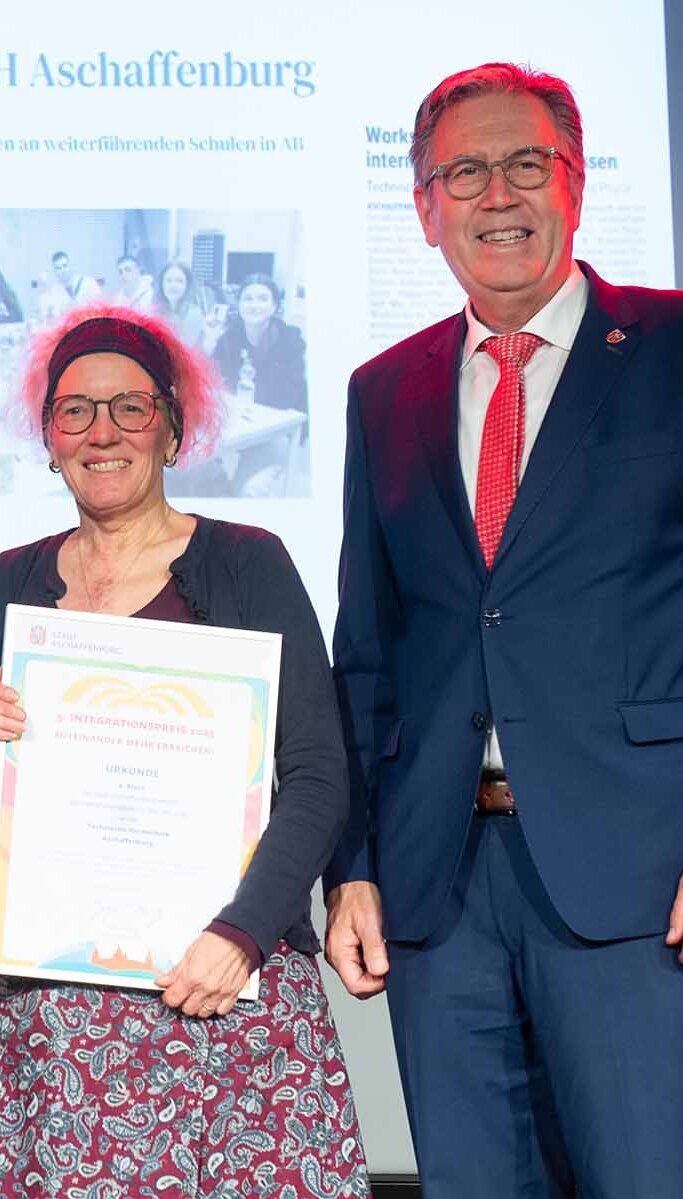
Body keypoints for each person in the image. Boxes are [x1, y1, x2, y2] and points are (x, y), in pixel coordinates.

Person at [325, 62, 683, 1198]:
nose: (496, 195)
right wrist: (351, 866)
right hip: (438, 883)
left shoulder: (672, 346)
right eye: (463, 172)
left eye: (525, 163)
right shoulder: (383, 389)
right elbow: (368, 648)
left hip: (635, 873)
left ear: (574, 182)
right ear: (423, 208)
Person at [0, 307, 368, 1196]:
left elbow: (318, 774)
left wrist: (240, 935)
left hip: (220, 985)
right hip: (49, 1008)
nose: (101, 433)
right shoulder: (5, 580)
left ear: (173, 429)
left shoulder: (246, 562)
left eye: (130, 407)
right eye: (74, 411)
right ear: (47, 438)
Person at [209, 274, 307, 413]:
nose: (254, 306)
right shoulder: (228, 339)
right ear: (239, 305)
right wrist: (209, 340)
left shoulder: (290, 341)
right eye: (248, 299)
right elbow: (215, 382)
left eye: (263, 299)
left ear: (274, 306)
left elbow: (288, 395)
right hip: (239, 414)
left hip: (280, 418)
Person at [155, 258, 223, 348]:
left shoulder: (194, 314)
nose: (173, 285)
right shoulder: (155, 311)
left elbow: (183, 349)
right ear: (162, 284)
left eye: (179, 281)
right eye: (168, 280)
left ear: (187, 285)